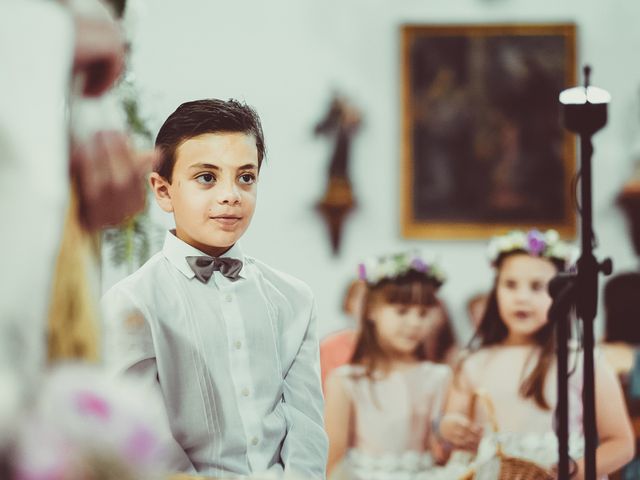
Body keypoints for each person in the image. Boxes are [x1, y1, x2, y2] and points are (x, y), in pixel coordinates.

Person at [101, 99, 328, 479]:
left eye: (246, 177)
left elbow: (307, 427)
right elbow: (144, 441)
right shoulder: (132, 305)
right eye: (206, 177)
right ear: (163, 190)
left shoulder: (294, 299)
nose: (231, 195)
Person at [441, 229, 634, 479]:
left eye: (537, 287)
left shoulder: (583, 360)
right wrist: (450, 426)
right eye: (510, 285)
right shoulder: (472, 362)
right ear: (495, 290)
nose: (522, 298)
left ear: (562, 292)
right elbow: (453, 419)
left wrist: (573, 471)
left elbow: (621, 443)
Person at [324, 251, 452, 480]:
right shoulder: (346, 382)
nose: (414, 323)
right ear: (372, 311)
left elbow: (444, 451)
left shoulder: (440, 377)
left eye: (423, 313)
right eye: (402, 311)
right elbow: (332, 463)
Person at [320, 279, 366, 390]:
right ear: (349, 302)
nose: (367, 305)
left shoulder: (390, 347)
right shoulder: (329, 346)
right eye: (362, 298)